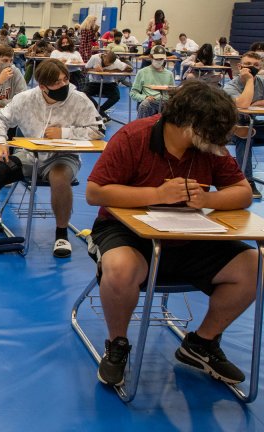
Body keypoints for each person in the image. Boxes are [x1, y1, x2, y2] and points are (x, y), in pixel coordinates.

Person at [86, 81, 256, 388]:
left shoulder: (208, 146)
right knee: (121, 269)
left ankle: (201, 343)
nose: (219, 143)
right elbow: (96, 192)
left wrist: (208, 199)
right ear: (190, 125)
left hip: (189, 234)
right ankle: (117, 344)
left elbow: (243, 192)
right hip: (127, 232)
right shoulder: (134, 136)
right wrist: (157, 194)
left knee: (254, 266)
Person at [0, 59, 104, 257]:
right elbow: (1, 118)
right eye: (57, 82)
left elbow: (98, 130)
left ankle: (61, 235)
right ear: (43, 87)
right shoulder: (26, 99)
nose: (63, 85)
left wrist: (65, 132)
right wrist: (1, 142)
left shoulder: (79, 99)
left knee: (59, 177)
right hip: (30, 155)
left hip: (64, 156)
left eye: (65, 80)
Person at [223, 51, 264, 199]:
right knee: (244, 134)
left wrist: (257, 103)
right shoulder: (229, 87)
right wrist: (249, 81)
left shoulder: (262, 82)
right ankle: (247, 180)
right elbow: (243, 104)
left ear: (260, 68)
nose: (251, 67)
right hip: (233, 128)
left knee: (249, 129)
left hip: (258, 123)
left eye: (255, 65)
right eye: (247, 64)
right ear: (240, 66)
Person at [83, 51, 133, 122]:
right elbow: (85, 69)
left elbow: (130, 69)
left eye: (108, 64)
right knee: (84, 94)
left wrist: (111, 70)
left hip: (109, 83)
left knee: (116, 96)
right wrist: (94, 69)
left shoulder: (117, 62)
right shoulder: (95, 58)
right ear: (104, 56)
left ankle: (99, 112)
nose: (106, 64)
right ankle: (103, 114)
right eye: (105, 62)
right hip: (94, 82)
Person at [129, 45, 174, 119]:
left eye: (161, 59)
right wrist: (145, 97)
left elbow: (172, 93)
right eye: (156, 59)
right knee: (146, 104)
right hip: (148, 103)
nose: (159, 61)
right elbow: (133, 93)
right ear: (150, 57)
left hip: (164, 104)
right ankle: (141, 125)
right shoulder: (142, 72)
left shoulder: (169, 74)